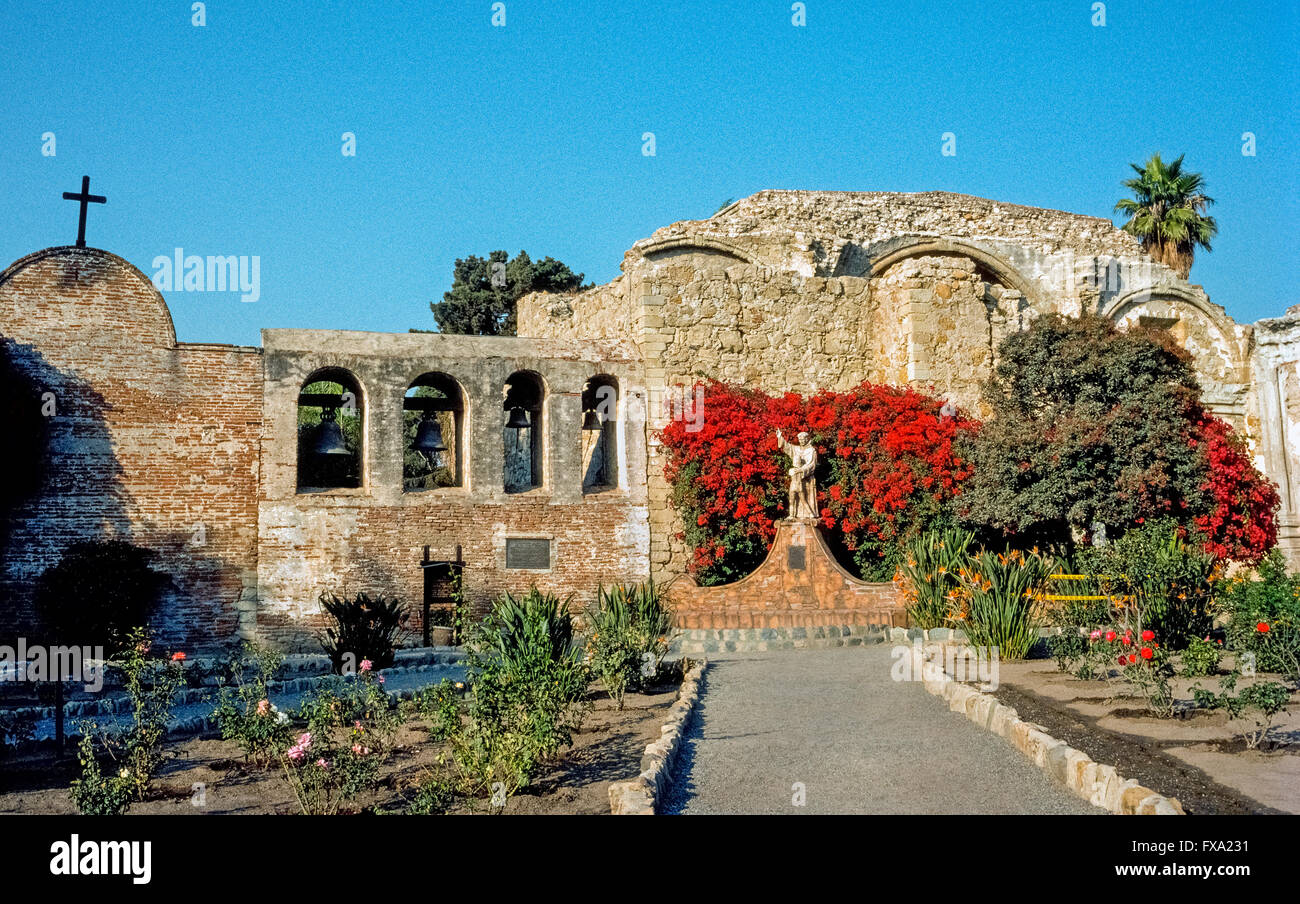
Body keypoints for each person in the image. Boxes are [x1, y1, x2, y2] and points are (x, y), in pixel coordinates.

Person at [776, 428, 818, 520]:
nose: (801, 441)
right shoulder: (796, 449)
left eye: (803, 440)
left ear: (807, 439)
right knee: (794, 499)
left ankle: (810, 515)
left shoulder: (812, 451)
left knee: (804, 499)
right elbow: (787, 447)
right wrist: (780, 436)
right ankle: (793, 515)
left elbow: (812, 465)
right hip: (796, 478)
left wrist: (800, 470)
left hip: (807, 479)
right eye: (800, 440)